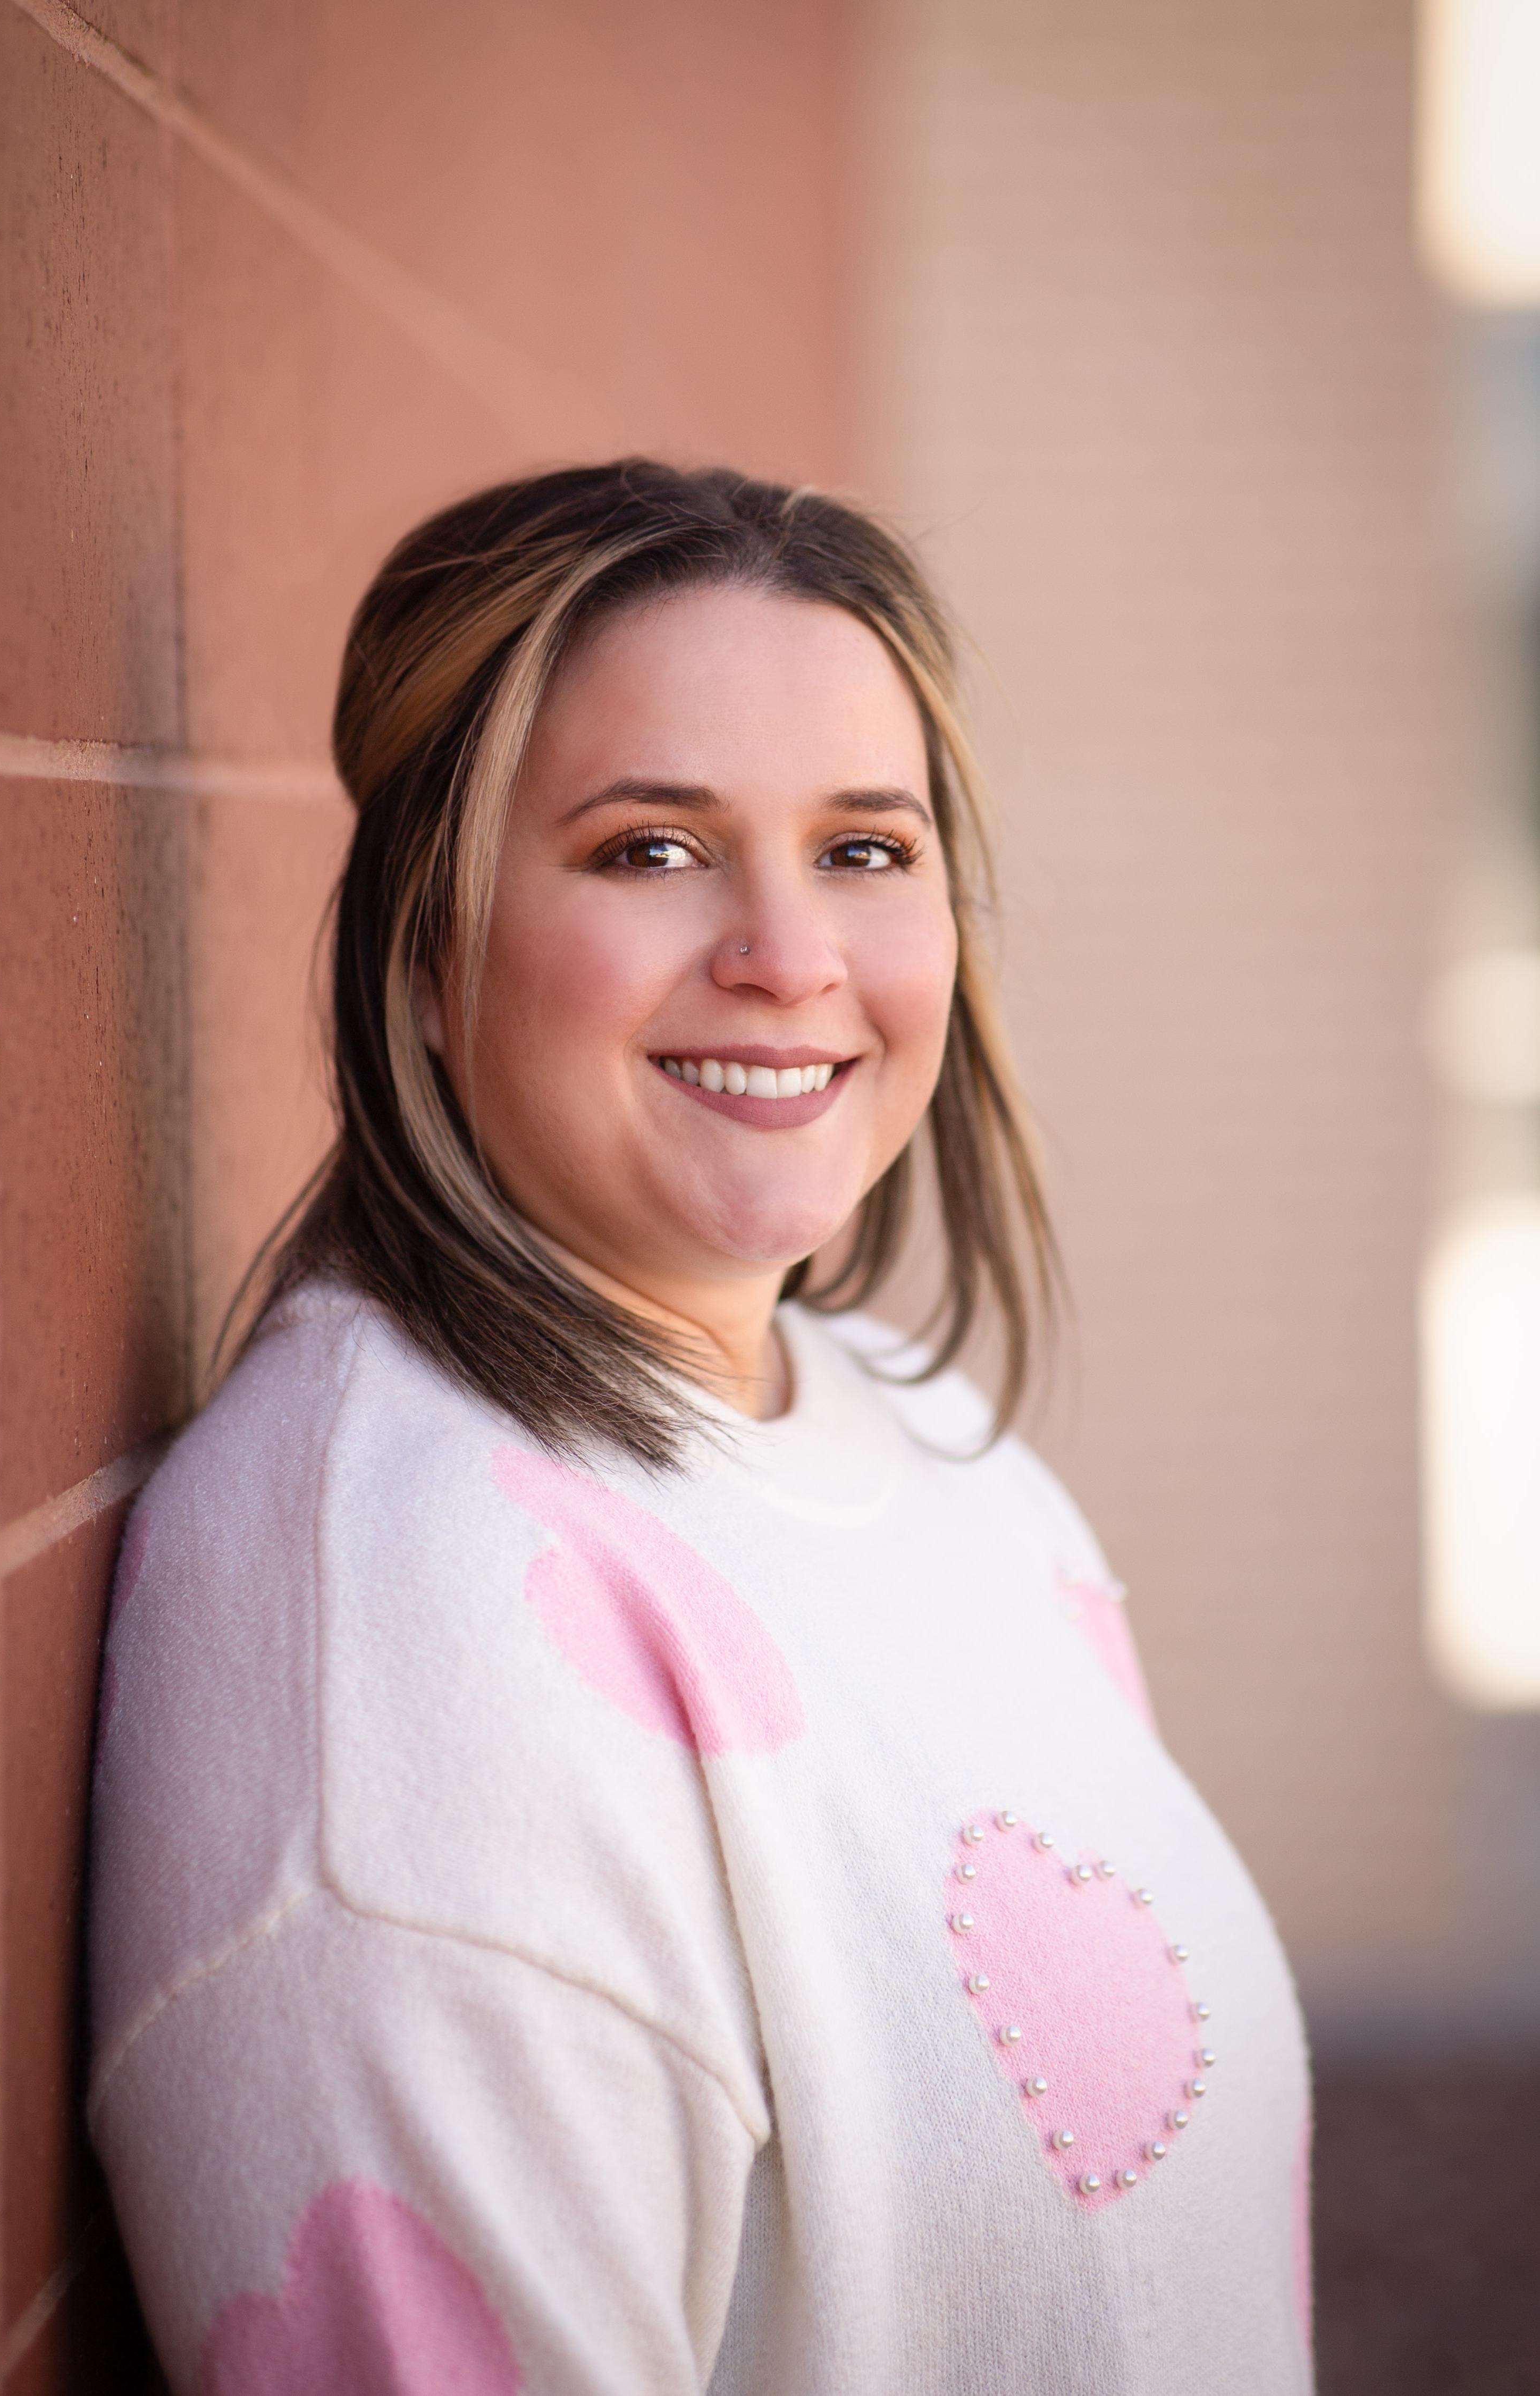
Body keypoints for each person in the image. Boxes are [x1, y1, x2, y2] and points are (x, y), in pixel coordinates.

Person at [87, 460, 1311, 2395]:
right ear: (424, 947)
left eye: (864, 847)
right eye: (653, 849)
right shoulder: (411, 1639)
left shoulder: (933, 1439)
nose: (788, 952)